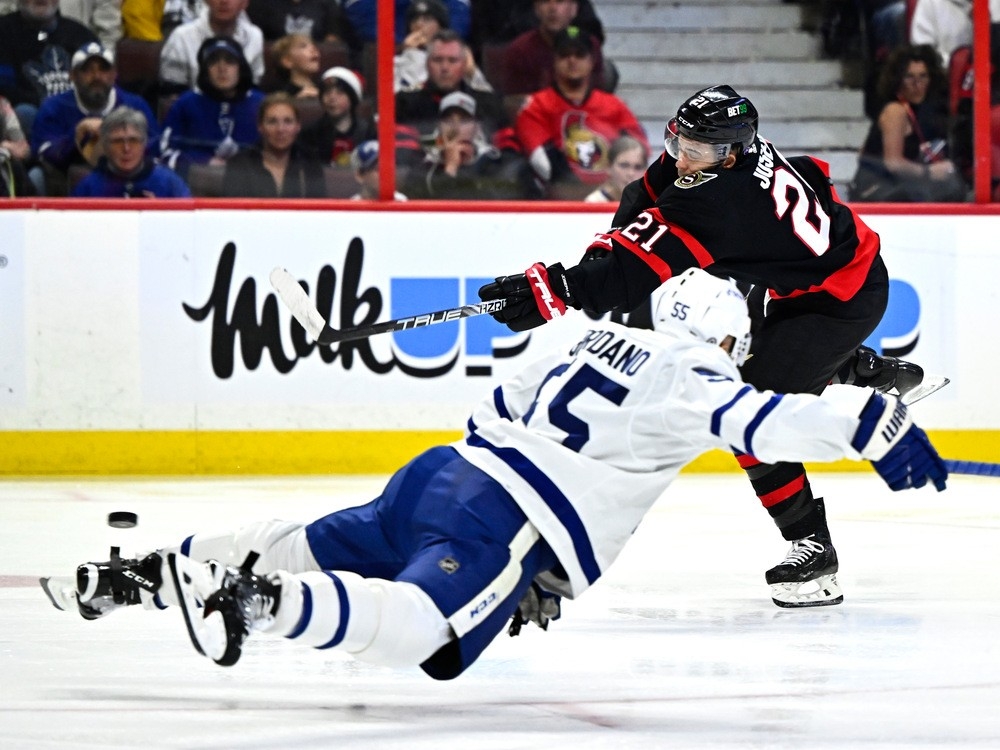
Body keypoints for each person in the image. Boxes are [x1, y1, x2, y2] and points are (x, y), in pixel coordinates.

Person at [39, 269, 947, 677]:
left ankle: (143, 573)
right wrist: (874, 424)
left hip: (436, 476)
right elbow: (763, 418)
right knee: (431, 638)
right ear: (718, 337)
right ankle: (253, 605)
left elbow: (523, 417)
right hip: (498, 523)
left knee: (310, 543)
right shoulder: (691, 372)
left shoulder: (581, 333)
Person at [479, 84, 935, 609]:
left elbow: (627, 277)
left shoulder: (719, 202)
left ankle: (814, 550)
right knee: (761, 377)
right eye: (677, 142)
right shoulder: (717, 163)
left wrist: (556, 289)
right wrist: (591, 266)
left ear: (731, 154)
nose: (678, 159)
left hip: (840, 298)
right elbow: (641, 204)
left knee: (749, 418)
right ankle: (861, 371)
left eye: (693, 152)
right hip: (803, 277)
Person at [515, 27, 647, 195]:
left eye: (579, 55)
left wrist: (610, 191)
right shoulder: (536, 106)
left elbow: (638, 153)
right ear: (553, 61)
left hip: (612, 196)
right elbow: (544, 163)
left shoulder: (614, 106)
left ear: (592, 61)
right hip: (558, 199)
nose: (572, 61)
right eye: (564, 55)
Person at [32, 42, 160, 190]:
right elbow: (42, 153)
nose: (96, 76)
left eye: (104, 69)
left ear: (114, 75)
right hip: (66, 182)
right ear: (72, 75)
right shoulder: (53, 106)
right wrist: (78, 135)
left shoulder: (135, 104)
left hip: (130, 180)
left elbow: (155, 149)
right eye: (87, 70)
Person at [849, 44, 966, 202]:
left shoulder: (914, 110)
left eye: (923, 76)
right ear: (898, 80)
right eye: (910, 77)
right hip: (875, 188)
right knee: (948, 187)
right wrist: (930, 171)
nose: (917, 85)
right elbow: (893, 163)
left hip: (889, 184)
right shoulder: (895, 110)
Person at [159, 36, 263, 178]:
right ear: (204, 70)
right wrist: (203, 161)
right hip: (196, 186)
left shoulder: (260, 103)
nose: (222, 68)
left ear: (241, 67)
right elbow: (164, 151)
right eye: (213, 61)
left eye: (230, 61)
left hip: (254, 185)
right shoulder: (187, 103)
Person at [401, 90, 533, 199]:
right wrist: (450, 167)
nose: (456, 128)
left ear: (475, 128)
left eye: (463, 121)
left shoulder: (493, 163)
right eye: (449, 121)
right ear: (439, 127)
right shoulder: (424, 166)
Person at [0, 0, 98, 136]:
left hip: (77, 110)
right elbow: (5, 88)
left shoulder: (80, 34)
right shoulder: (4, 31)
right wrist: (49, 105)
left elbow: (101, 80)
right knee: (25, 112)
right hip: (31, 114)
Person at [395, 30, 507, 140]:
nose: (445, 67)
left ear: (464, 64)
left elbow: (506, 150)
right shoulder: (405, 103)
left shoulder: (488, 104)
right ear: (427, 64)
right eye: (438, 60)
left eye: (452, 60)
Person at [221, 91, 325, 197]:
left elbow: (319, 210)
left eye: (288, 121)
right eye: (272, 121)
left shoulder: (310, 163)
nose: (280, 129)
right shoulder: (239, 165)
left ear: (298, 126)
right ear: (260, 126)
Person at [71, 105, 191, 197]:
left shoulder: (169, 182)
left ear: (144, 143)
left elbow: (187, 225)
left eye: (133, 140)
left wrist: (157, 216)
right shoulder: (88, 187)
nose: (126, 149)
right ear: (105, 146)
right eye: (117, 141)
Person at [497, 0, 606, 96]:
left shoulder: (590, 46)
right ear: (536, 9)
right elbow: (513, 103)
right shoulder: (520, 50)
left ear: (574, 9)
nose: (552, 8)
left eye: (560, 1)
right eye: (545, 2)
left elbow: (598, 99)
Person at [159, 0, 265, 95]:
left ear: (245, 3)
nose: (224, 1)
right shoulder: (182, 37)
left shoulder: (254, 36)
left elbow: (253, 90)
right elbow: (170, 96)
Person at [395, 0, 492, 94]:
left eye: (427, 19)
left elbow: (487, 100)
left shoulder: (456, 57)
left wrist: (471, 73)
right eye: (414, 19)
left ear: (440, 27)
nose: (419, 24)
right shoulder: (397, 61)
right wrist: (408, 53)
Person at [297, 66, 375, 167]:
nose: (332, 98)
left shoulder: (367, 132)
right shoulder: (310, 133)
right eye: (327, 93)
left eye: (340, 93)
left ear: (352, 99)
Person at [246, 0, 347, 44]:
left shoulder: (326, 3)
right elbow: (258, 41)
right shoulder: (260, 4)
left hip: (316, 63)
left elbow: (333, 41)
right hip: (275, 66)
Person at [584, 135, 648, 203]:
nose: (631, 173)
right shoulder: (593, 204)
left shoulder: (651, 204)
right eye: (624, 165)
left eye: (638, 167)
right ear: (608, 167)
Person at [261, 32, 321, 98]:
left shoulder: (323, 88)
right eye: (303, 46)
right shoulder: (281, 93)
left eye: (313, 45)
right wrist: (297, 101)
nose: (313, 49)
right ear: (287, 61)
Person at [1, 93, 33, 195]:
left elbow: (22, 150)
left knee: (14, 166)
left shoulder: (2, 105)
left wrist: (3, 147)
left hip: (4, 160)